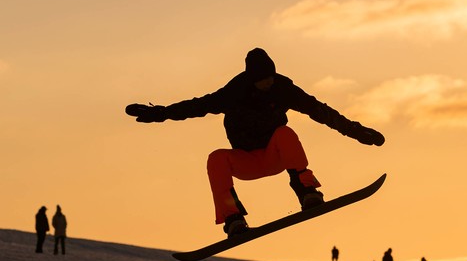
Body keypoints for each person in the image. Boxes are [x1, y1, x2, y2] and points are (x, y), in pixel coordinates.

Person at [125, 48, 384, 237]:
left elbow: (321, 111)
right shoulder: (234, 92)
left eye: (271, 77)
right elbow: (197, 106)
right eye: (264, 79)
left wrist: (358, 132)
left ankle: (307, 192)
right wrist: (158, 113)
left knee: (285, 133)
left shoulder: (283, 88)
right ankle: (233, 219)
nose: (269, 82)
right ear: (252, 78)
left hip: (276, 155)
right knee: (216, 158)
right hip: (247, 160)